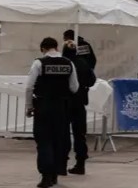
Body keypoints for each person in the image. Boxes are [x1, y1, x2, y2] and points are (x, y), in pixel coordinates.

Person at [26, 37, 79, 188]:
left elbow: (29, 87)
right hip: (62, 107)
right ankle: (55, 174)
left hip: (43, 106)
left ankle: (46, 176)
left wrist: (29, 106)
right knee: (58, 141)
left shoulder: (39, 63)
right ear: (56, 48)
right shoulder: (69, 63)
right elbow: (74, 87)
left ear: (43, 48)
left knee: (44, 141)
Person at [62, 40, 96, 175]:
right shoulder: (83, 63)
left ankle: (62, 163)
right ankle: (80, 163)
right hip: (80, 102)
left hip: (65, 102)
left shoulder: (64, 63)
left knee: (63, 133)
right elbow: (92, 80)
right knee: (80, 135)